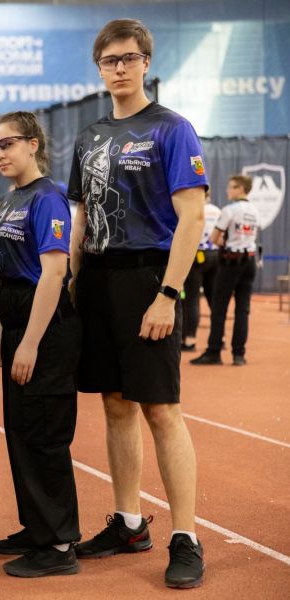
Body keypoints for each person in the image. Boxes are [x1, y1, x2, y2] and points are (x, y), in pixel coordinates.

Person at [67, 19, 208, 589]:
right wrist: (71, 284)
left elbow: (192, 216)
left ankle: (187, 536)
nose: (119, 68)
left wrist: (168, 295)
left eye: (129, 58)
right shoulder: (89, 137)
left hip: (150, 278)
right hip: (97, 280)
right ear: (99, 68)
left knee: (161, 409)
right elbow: (80, 218)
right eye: (110, 60)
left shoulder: (172, 129)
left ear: (146, 62)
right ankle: (128, 523)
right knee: (116, 405)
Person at [0, 111, 82, 578]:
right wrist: (3, 334)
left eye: (7, 144)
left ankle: (59, 545)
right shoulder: (8, 200)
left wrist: (29, 343)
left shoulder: (48, 197)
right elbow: (5, 275)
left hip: (45, 325)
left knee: (44, 434)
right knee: (21, 430)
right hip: (17, 317)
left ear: (33, 144)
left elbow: (55, 272)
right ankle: (37, 527)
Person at [191, 175, 260, 366]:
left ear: (240, 189)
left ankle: (214, 352)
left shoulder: (229, 210)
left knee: (219, 307)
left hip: (230, 261)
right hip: (250, 260)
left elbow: (214, 238)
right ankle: (239, 354)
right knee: (243, 309)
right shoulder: (255, 211)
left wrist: (225, 244)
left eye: (231, 187)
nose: (228, 190)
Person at [181, 190, 221, 351]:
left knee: (192, 298)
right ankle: (220, 338)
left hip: (197, 256)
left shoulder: (194, 209)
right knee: (214, 298)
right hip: (215, 255)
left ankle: (190, 340)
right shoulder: (217, 211)